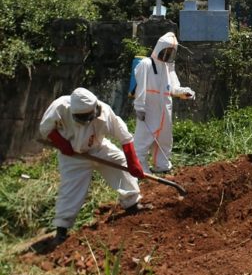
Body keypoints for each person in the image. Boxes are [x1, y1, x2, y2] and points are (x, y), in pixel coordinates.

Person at [39, 87, 145, 245]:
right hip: (73, 155)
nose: (86, 120)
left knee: (119, 161)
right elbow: (45, 128)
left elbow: (124, 137)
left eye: (88, 116)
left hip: (99, 148)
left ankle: (132, 203)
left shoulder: (105, 112)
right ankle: (62, 229)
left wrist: (133, 162)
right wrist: (62, 144)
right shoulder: (60, 106)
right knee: (70, 190)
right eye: (81, 117)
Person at [133, 32, 195, 173]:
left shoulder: (168, 67)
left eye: (170, 52)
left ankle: (161, 165)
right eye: (165, 51)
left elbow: (173, 88)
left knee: (165, 139)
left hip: (165, 107)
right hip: (149, 108)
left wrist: (184, 92)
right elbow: (141, 87)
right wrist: (139, 107)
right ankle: (139, 168)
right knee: (143, 138)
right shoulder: (146, 64)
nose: (167, 54)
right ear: (159, 48)